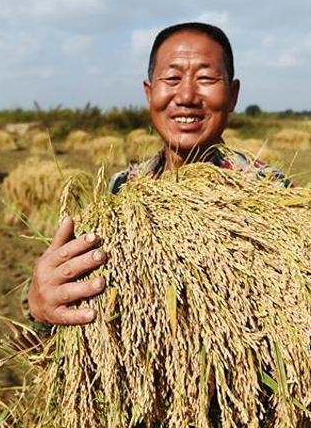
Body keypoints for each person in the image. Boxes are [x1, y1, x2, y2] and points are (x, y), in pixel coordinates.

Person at [25, 22, 290, 327]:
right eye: (172, 78)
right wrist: (39, 301)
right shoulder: (122, 189)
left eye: (206, 78)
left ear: (233, 95)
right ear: (150, 93)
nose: (187, 95)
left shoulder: (269, 192)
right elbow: (71, 288)